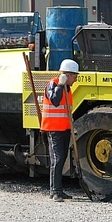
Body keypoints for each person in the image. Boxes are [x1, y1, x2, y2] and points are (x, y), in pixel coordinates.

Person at [40, 58, 79, 202]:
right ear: (67, 75)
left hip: (64, 128)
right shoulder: (53, 84)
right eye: (75, 76)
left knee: (62, 159)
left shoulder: (68, 88)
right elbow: (55, 101)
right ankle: (54, 191)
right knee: (57, 158)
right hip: (54, 129)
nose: (75, 80)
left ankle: (59, 190)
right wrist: (61, 85)